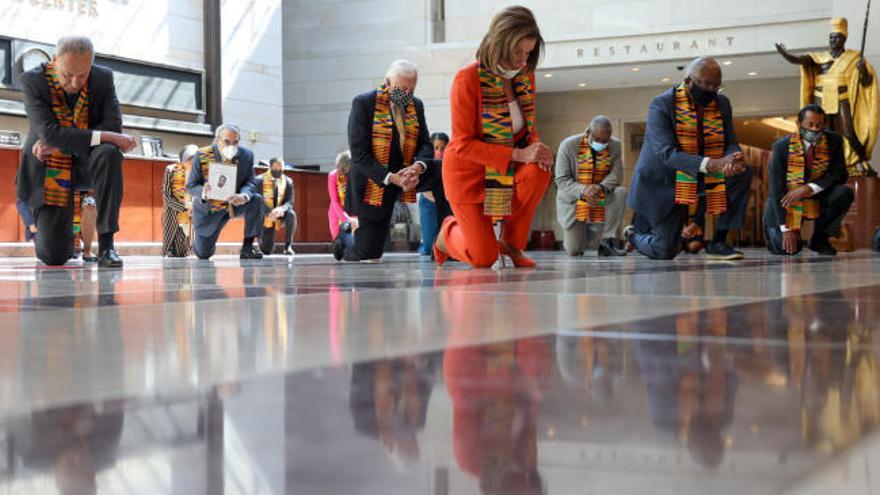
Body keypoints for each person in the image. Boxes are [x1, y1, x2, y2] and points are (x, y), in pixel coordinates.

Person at [433, 6, 554, 269]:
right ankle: (447, 233)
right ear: (500, 43)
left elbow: (527, 129)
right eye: (518, 52)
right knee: (484, 258)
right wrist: (520, 154)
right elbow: (462, 144)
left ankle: (511, 243)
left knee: (539, 170)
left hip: (505, 168)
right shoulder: (466, 79)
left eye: (528, 53)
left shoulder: (525, 78)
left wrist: (536, 147)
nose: (523, 61)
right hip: (468, 176)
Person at [17, 35, 137, 267]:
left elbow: (112, 124)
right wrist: (106, 136)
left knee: (109, 153)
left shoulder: (103, 78)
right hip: (48, 167)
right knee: (53, 257)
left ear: (91, 64)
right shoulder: (33, 81)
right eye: (67, 74)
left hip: (87, 163)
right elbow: (49, 133)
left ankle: (106, 246)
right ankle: (50, 233)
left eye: (82, 75)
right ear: (54, 60)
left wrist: (65, 140)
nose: (74, 83)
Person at [625, 57, 752, 261]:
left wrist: (733, 158)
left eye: (716, 85)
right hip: (663, 184)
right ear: (689, 81)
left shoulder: (721, 103)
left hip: (699, 174)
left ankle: (718, 241)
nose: (711, 90)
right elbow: (667, 153)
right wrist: (713, 164)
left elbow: (730, 139)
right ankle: (632, 234)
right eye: (706, 84)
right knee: (665, 250)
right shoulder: (661, 104)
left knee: (743, 173)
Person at [335, 59, 443, 262]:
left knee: (443, 170)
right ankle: (345, 237)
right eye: (402, 89)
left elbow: (425, 144)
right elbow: (359, 156)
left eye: (412, 89)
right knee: (369, 253)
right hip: (374, 180)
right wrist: (392, 178)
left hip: (408, 174)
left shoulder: (416, 105)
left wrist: (418, 166)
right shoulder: (364, 103)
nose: (407, 95)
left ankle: (446, 237)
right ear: (387, 82)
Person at [776, 17, 878, 176]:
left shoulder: (853, 58)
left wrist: (863, 70)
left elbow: (866, 82)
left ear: (843, 39)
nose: (833, 40)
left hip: (842, 97)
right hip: (821, 99)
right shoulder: (819, 57)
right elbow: (799, 60)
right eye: (831, 37)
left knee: (849, 133)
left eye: (837, 37)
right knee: (825, 135)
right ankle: (829, 168)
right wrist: (785, 55)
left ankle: (862, 161)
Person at [764, 104, 853, 256]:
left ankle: (820, 239)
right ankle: (784, 233)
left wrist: (809, 188)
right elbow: (776, 189)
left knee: (844, 193)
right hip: (786, 201)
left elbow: (839, 174)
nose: (814, 129)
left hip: (816, 195)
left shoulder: (834, 141)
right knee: (785, 249)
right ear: (798, 124)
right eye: (809, 124)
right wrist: (785, 229)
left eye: (819, 125)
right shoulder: (781, 147)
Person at [186, 123, 264, 260]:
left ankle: (247, 247)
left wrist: (244, 196)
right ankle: (201, 242)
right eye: (227, 142)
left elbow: (251, 182)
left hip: (234, 204)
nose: (231, 146)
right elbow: (191, 186)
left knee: (256, 199)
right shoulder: (202, 155)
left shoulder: (246, 155)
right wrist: (203, 192)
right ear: (217, 140)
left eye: (235, 142)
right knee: (203, 254)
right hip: (210, 209)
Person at [555, 115, 628, 257]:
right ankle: (583, 232)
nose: (601, 143)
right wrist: (584, 190)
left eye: (605, 140)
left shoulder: (615, 145)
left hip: (600, 195)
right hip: (575, 201)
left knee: (620, 192)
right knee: (575, 250)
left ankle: (607, 241)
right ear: (589, 132)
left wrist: (599, 187)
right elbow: (561, 180)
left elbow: (617, 175)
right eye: (597, 139)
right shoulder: (568, 145)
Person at [162, 144, 198, 257]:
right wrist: (185, 207)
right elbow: (167, 197)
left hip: (192, 218)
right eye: (191, 159)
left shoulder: (200, 173)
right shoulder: (171, 170)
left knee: (186, 252)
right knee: (172, 253)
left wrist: (197, 206)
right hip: (174, 215)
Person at [256, 157, 297, 256]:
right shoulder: (259, 180)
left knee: (291, 214)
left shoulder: (288, 181)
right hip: (265, 215)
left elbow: (290, 201)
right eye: (275, 169)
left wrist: (282, 209)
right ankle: (260, 242)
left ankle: (288, 246)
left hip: (280, 213)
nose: (278, 171)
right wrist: (269, 211)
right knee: (266, 250)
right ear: (270, 167)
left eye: (280, 169)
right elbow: (258, 200)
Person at [418, 131, 449, 256]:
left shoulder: (449, 164)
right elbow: (425, 191)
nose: (439, 152)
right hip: (429, 203)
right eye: (436, 148)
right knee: (429, 248)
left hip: (446, 204)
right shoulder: (425, 163)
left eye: (443, 149)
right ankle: (424, 243)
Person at [328, 150, 356, 239]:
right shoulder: (333, 176)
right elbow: (334, 200)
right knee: (339, 244)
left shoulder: (354, 175)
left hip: (353, 213)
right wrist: (346, 220)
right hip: (337, 214)